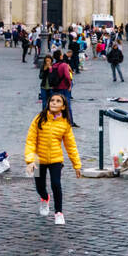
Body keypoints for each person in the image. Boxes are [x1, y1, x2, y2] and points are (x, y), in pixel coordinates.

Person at [24, 92, 82, 226]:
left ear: (63, 106)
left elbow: (71, 145)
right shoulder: (39, 119)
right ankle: (45, 199)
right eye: (52, 101)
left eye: (58, 101)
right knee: (40, 187)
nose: (54, 103)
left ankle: (59, 213)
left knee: (56, 184)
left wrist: (76, 165)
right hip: (38, 159)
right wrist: (30, 160)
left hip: (56, 159)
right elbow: (30, 140)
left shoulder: (65, 123)